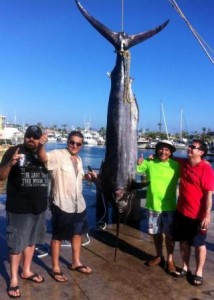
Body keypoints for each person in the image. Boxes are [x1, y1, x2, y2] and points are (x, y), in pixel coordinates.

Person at [38, 130, 96, 282]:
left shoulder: (79, 159)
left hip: (79, 205)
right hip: (62, 204)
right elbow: (43, 158)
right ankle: (55, 267)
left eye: (78, 144)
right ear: (67, 141)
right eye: (72, 142)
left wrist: (88, 177)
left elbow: (79, 177)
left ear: (81, 145)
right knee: (57, 236)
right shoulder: (58, 154)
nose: (74, 145)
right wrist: (41, 145)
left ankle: (75, 263)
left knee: (77, 234)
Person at [0, 125, 49, 298]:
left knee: (31, 242)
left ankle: (26, 271)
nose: (31, 139)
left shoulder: (41, 152)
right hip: (19, 208)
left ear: (40, 139)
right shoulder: (14, 150)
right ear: (25, 136)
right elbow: (1, 176)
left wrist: (41, 146)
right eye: (29, 135)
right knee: (16, 245)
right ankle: (13, 279)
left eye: (35, 137)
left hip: (39, 206)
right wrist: (10, 163)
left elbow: (43, 159)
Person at [173, 139, 214, 286]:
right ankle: (185, 267)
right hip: (181, 211)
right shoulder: (184, 163)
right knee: (184, 242)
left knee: (199, 245)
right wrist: (153, 156)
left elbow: (209, 194)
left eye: (193, 147)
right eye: (189, 146)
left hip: (197, 215)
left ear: (201, 152)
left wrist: (207, 215)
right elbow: (169, 156)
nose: (189, 148)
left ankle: (199, 272)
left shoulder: (206, 169)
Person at [136, 140, 180, 275]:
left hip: (170, 207)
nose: (163, 152)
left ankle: (170, 260)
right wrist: (138, 161)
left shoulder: (176, 165)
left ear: (171, 152)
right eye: (161, 149)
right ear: (157, 150)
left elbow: (192, 167)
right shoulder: (149, 163)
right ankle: (159, 256)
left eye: (167, 150)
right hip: (153, 205)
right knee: (156, 233)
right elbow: (134, 170)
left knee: (169, 236)